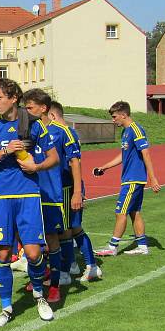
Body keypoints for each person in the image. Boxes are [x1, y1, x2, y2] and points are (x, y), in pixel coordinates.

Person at [0, 78, 59, 327]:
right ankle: (6, 308)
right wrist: (4, 151)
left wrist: (37, 165)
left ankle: (39, 296)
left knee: (33, 253)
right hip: (0, 198)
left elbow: (53, 157)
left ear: (13, 98)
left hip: (28, 196)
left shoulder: (34, 126)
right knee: (2, 254)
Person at [94, 101, 161, 256]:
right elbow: (124, 155)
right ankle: (142, 246)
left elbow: (146, 154)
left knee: (120, 212)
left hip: (133, 179)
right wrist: (105, 167)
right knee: (134, 212)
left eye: (114, 116)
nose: (113, 120)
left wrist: (153, 178)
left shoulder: (136, 130)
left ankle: (112, 247)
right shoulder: (126, 132)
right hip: (131, 178)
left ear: (123, 115)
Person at [48, 101, 102, 282]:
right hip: (69, 185)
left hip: (67, 187)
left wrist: (77, 191)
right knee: (73, 228)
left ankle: (67, 270)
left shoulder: (63, 132)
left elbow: (74, 162)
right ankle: (80, 264)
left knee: (64, 230)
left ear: (52, 116)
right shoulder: (69, 132)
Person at [23, 89, 68, 304]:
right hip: (30, 193)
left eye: (30, 107)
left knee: (52, 239)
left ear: (43, 109)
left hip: (50, 192)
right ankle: (39, 276)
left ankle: (55, 286)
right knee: (32, 241)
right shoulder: (26, 130)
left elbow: (69, 161)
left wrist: (77, 191)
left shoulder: (59, 132)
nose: (26, 111)